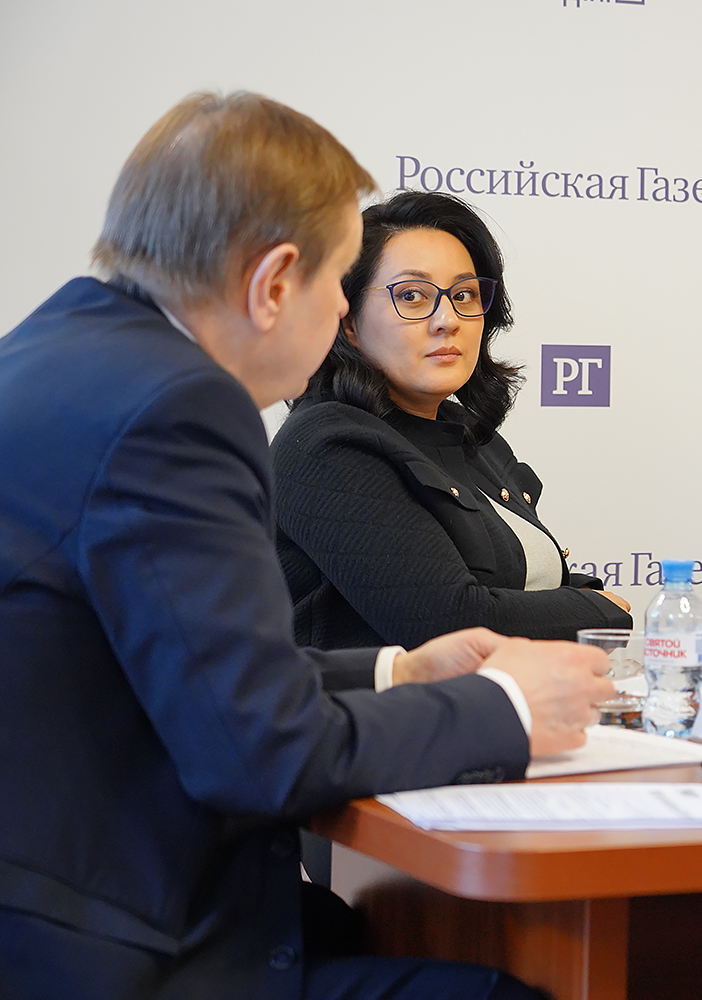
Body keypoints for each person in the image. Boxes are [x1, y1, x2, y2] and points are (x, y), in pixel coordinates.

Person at [0, 91, 615, 1000]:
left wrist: (398, 672)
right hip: (121, 952)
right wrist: (507, 708)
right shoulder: (179, 410)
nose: (339, 318)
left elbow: (201, 673)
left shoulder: (54, 350)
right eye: (340, 287)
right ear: (276, 281)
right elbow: (261, 752)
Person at [272, 191, 632, 652]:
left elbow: (522, 585)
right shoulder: (325, 444)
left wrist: (580, 599)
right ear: (349, 322)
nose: (448, 319)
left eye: (464, 295)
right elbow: (449, 622)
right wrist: (600, 611)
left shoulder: (471, 435)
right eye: (412, 296)